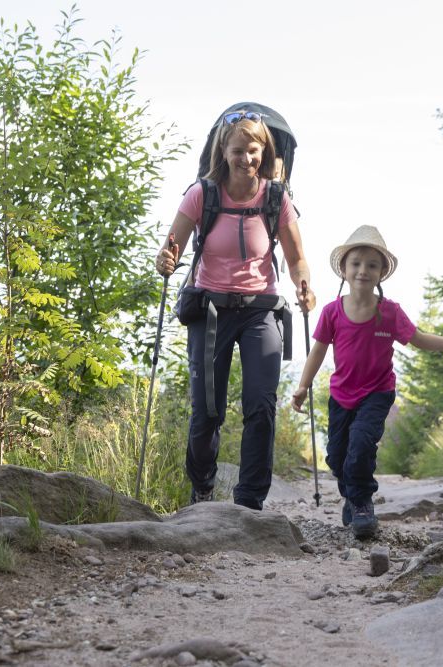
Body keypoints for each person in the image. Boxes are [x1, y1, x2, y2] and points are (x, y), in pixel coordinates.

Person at [155, 107, 316, 510]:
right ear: (223, 151)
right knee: (207, 410)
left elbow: (297, 258)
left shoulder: (276, 198)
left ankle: (249, 502)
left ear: (265, 152)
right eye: (238, 150)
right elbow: (169, 249)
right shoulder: (202, 195)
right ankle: (203, 487)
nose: (246, 158)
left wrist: (303, 284)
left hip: (261, 310)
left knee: (260, 405)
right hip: (209, 309)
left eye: (254, 150)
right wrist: (166, 260)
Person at [292, 226, 443, 538]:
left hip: (377, 393)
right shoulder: (331, 312)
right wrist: (303, 385)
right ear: (344, 269)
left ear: (381, 273)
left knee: (361, 445)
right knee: (338, 457)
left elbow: (419, 339)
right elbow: (318, 351)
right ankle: (352, 494)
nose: (363, 270)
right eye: (356, 263)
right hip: (341, 395)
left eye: (371, 265)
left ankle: (362, 503)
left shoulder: (389, 313)